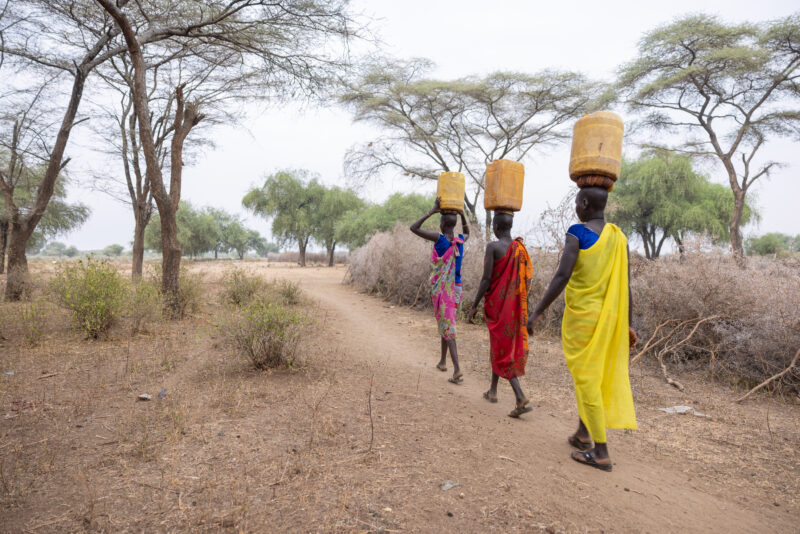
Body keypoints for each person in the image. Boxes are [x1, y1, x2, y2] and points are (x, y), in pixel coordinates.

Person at [528, 186, 637, 471]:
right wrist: (628, 323)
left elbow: (563, 274)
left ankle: (600, 451)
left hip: (583, 320)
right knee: (588, 376)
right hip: (610, 320)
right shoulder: (619, 238)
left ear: (585, 203)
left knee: (587, 379)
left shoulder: (578, 232)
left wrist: (537, 311)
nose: (576, 206)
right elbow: (625, 285)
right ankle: (583, 433)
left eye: (577, 201)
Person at [468, 211, 533, 417]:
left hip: (498, 306)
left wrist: (474, 304)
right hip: (514, 306)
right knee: (498, 345)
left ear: (495, 226)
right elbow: (528, 278)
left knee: (501, 349)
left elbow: (486, 279)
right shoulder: (519, 249)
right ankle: (493, 391)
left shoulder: (493, 247)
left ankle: (520, 396)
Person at [410, 198, 470, 384]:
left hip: (445, 290)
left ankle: (458, 370)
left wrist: (433, 211)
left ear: (442, 223)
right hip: (457, 288)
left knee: (448, 327)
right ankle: (443, 361)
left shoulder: (439, 239)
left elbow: (414, 228)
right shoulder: (460, 240)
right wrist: (462, 213)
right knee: (446, 323)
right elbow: (468, 231)